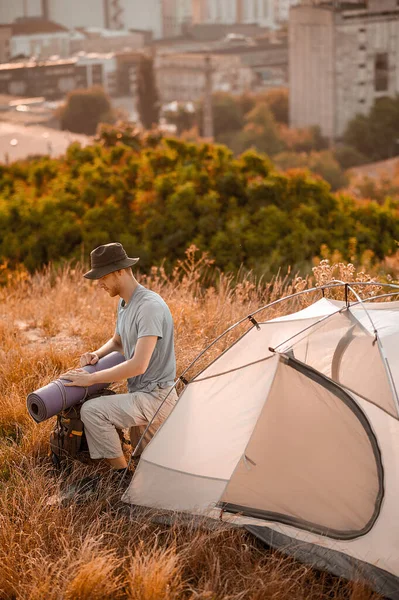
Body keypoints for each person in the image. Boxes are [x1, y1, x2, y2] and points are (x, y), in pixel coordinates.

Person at [61, 242, 177, 480]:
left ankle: (120, 478)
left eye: (102, 277)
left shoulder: (149, 307)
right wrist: (97, 354)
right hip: (142, 394)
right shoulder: (125, 304)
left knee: (91, 411)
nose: (99, 284)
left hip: (156, 398)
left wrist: (90, 379)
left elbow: (138, 365)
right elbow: (117, 341)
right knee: (147, 464)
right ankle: (131, 473)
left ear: (119, 271)